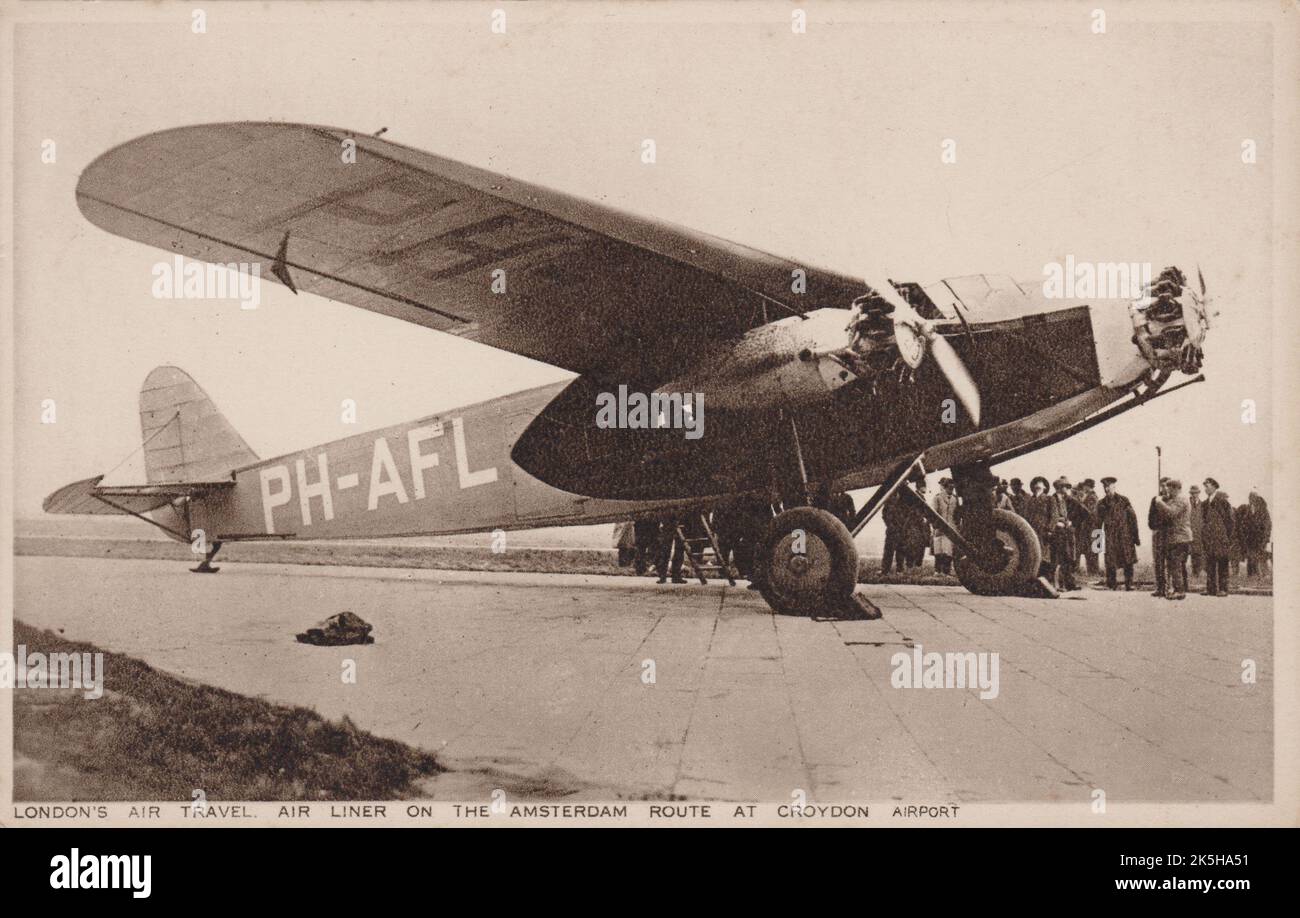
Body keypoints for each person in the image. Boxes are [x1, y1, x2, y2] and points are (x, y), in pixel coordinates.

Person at [1152, 479, 1192, 599]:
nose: (1168, 491)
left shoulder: (1181, 499)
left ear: (1175, 488)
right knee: (1174, 564)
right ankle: (1177, 589)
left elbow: (1172, 513)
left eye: (1169, 489)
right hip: (1177, 537)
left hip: (1180, 537)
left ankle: (1179, 590)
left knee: (1176, 564)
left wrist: (1159, 502)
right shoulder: (1176, 499)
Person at [1097, 477, 1140, 590]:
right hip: (1111, 536)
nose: (1106, 489)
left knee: (1128, 560)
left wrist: (1136, 537)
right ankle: (1111, 584)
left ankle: (1129, 584)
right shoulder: (1101, 503)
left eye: (1109, 486)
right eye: (1105, 487)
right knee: (1110, 560)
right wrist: (1097, 544)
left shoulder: (1124, 500)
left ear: (1114, 487)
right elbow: (1096, 523)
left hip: (1125, 535)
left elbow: (1133, 518)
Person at [1200, 477, 1234, 596]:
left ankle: (1223, 589)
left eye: (1207, 486)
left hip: (1221, 538)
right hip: (1209, 538)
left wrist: (1226, 537)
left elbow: (1230, 521)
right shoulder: (1204, 504)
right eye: (1204, 486)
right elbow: (1203, 521)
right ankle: (1211, 588)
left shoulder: (1222, 501)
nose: (1205, 489)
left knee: (1222, 563)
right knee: (1210, 563)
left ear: (1214, 486)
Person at [1048, 477, 1081, 591]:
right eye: (1064, 487)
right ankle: (1055, 584)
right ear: (1059, 487)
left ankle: (1066, 584)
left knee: (1066, 557)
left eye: (1067, 487)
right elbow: (1053, 516)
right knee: (1057, 559)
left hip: (1064, 530)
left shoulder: (1062, 499)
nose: (1066, 489)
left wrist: (1068, 522)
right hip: (1057, 531)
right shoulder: (1053, 499)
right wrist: (1055, 526)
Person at [1024, 476, 1053, 578]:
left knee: (1045, 554)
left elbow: (1054, 515)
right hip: (1032, 530)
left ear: (1045, 487)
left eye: (1040, 483)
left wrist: (1050, 529)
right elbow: (1026, 515)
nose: (1037, 485)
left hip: (1043, 531)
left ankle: (1046, 578)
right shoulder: (1030, 500)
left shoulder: (1049, 499)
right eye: (1036, 483)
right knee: (1033, 552)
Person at [1148, 477, 1171, 597]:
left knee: (1171, 562)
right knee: (1158, 561)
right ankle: (1160, 587)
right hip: (1158, 533)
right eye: (1162, 486)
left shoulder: (1173, 499)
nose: (1165, 488)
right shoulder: (1155, 500)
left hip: (1170, 534)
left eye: (1167, 485)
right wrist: (1155, 527)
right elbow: (1151, 517)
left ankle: (1169, 587)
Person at [931, 478, 959, 575]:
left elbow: (957, 514)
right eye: (949, 488)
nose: (951, 490)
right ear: (945, 487)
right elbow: (933, 513)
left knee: (948, 550)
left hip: (951, 528)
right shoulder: (937, 498)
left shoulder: (955, 499)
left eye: (953, 488)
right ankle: (937, 571)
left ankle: (946, 572)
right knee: (938, 550)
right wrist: (935, 526)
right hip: (940, 528)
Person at [903, 481, 931, 568]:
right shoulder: (916, 497)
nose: (925, 489)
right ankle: (912, 564)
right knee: (914, 545)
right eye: (924, 487)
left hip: (918, 524)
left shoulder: (919, 496)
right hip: (915, 524)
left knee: (918, 544)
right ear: (920, 487)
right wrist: (922, 518)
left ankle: (915, 564)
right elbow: (914, 510)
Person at [1243, 488, 1271, 576]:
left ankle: (1264, 574)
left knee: (1261, 556)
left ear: (1256, 498)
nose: (1250, 499)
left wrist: (1266, 538)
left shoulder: (1263, 510)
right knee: (1251, 556)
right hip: (1250, 538)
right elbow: (1245, 523)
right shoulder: (1248, 509)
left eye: (1252, 497)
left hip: (1260, 538)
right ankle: (1252, 574)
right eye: (1249, 497)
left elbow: (1267, 525)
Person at [1075, 479, 1101, 575]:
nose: (1082, 489)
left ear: (1088, 487)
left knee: (1092, 553)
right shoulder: (1090, 496)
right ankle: (1092, 573)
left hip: (1092, 530)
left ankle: (1093, 573)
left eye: (1084, 487)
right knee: (1090, 552)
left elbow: (1089, 512)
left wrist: (1080, 503)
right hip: (1092, 530)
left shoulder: (1092, 497)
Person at [881, 489, 905, 574]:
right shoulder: (889, 500)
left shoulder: (903, 499)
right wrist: (890, 525)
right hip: (893, 529)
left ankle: (899, 570)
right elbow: (884, 514)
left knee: (900, 550)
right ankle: (885, 570)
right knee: (889, 550)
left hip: (900, 528)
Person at [1187, 484, 1205, 578]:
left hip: (1199, 532)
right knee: (1188, 552)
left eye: (1196, 493)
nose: (1194, 495)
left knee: (1198, 553)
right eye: (1192, 493)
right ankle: (1189, 573)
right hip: (1188, 531)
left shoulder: (1203, 505)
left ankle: (1197, 572)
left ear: (1199, 493)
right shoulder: (1186, 503)